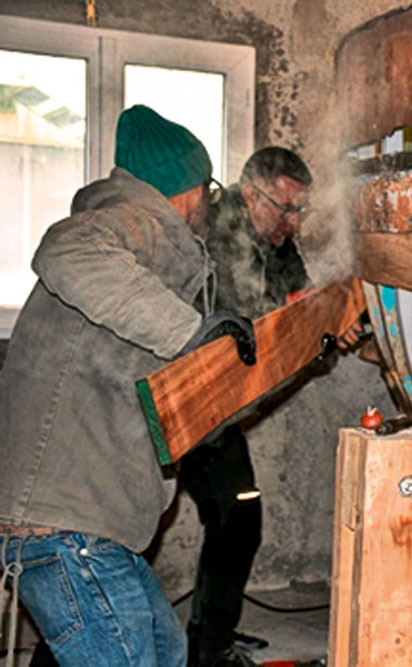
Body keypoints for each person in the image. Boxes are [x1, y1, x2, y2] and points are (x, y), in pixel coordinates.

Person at [0, 105, 254, 666]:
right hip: (69, 529)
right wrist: (190, 332)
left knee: (165, 655)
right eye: (209, 191)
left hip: (90, 531)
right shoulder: (139, 223)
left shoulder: (145, 248)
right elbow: (64, 249)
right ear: (192, 189)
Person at [180, 147, 361, 667]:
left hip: (219, 406)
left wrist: (329, 318)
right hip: (191, 390)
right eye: (286, 209)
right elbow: (240, 315)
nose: (295, 222)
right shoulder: (215, 229)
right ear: (250, 193)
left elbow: (299, 298)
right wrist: (303, 314)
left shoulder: (277, 242)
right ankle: (209, 649)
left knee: (236, 515)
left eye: (301, 209)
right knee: (236, 514)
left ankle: (210, 639)